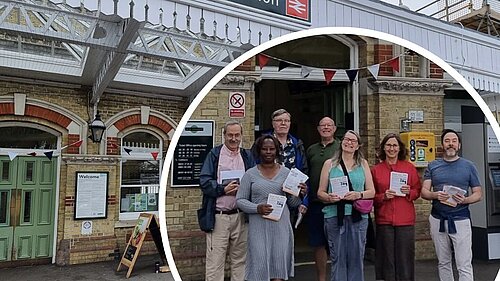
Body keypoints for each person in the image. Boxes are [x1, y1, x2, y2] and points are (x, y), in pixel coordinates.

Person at [236, 135, 306, 281]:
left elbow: (292, 203)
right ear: (259, 151)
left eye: (271, 149)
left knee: (278, 270)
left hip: (280, 227)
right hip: (258, 228)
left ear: (277, 151)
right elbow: (240, 200)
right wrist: (257, 208)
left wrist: (299, 195)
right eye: (264, 149)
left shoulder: (287, 172)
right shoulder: (250, 174)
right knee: (259, 268)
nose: (268, 152)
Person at [421, 129, 482, 281]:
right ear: (442, 144)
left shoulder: (469, 166)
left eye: (454, 141)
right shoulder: (433, 166)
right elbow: (424, 192)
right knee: (443, 262)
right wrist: (435, 195)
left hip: (460, 220)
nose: (450, 144)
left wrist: (465, 200)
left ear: (459, 145)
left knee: (464, 264)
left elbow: (478, 194)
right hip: (437, 219)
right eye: (447, 141)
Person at [198, 120, 256, 281]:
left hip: (241, 216)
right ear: (224, 135)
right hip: (219, 217)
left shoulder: (247, 155)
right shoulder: (214, 154)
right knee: (215, 262)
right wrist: (222, 189)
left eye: (237, 135)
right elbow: (203, 181)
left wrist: (244, 188)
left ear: (241, 136)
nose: (233, 138)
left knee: (240, 261)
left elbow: (255, 181)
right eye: (230, 135)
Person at [317, 130, 375, 281]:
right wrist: (329, 198)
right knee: (338, 257)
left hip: (358, 216)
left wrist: (358, 194)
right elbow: (320, 193)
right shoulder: (329, 164)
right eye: (346, 139)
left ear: (358, 146)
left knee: (357, 257)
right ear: (341, 142)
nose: (349, 143)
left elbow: (372, 191)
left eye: (353, 141)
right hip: (334, 215)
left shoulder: (363, 164)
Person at [371, 133, 422, 281]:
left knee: (405, 259)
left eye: (394, 145)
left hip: (405, 220)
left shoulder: (409, 168)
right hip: (384, 219)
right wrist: (383, 196)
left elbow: (417, 190)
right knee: (386, 258)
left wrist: (409, 192)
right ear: (383, 148)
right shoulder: (376, 170)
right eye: (388, 145)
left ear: (400, 148)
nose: (391, 148)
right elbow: (371, 195)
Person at [305, 117, 339, 281]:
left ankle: (338, 276)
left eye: (329, 125)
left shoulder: (342, 147)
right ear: (318, 129)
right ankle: (322, 278)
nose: (326, 128)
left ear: (334, 128)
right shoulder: (311, 149)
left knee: (337, 243)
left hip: (336, 202)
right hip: (315, 203)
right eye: (322, 125)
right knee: (318, 243)